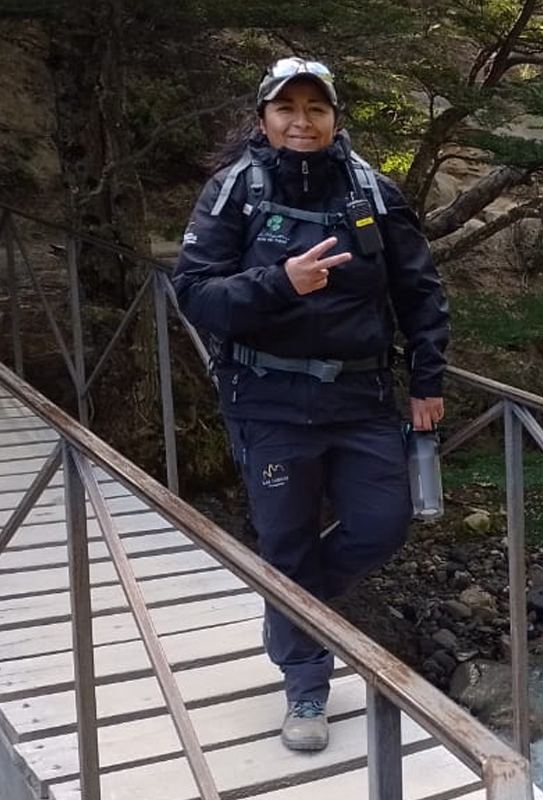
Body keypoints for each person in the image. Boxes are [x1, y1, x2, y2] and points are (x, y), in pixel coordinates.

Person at [172, 57, 449, 752]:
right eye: (286, 108)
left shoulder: (372, 192)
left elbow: (420, 291)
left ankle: (291, 604)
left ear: (334, 117)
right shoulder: (235, 189)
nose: (302, 122)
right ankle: (305, 687)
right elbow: (196, 294)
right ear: (263, 118)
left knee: (382, 524)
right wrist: (279, 283)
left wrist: (427, 380)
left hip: (361, 397)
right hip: (266, 400)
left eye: (316, 109)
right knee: (287, 542)